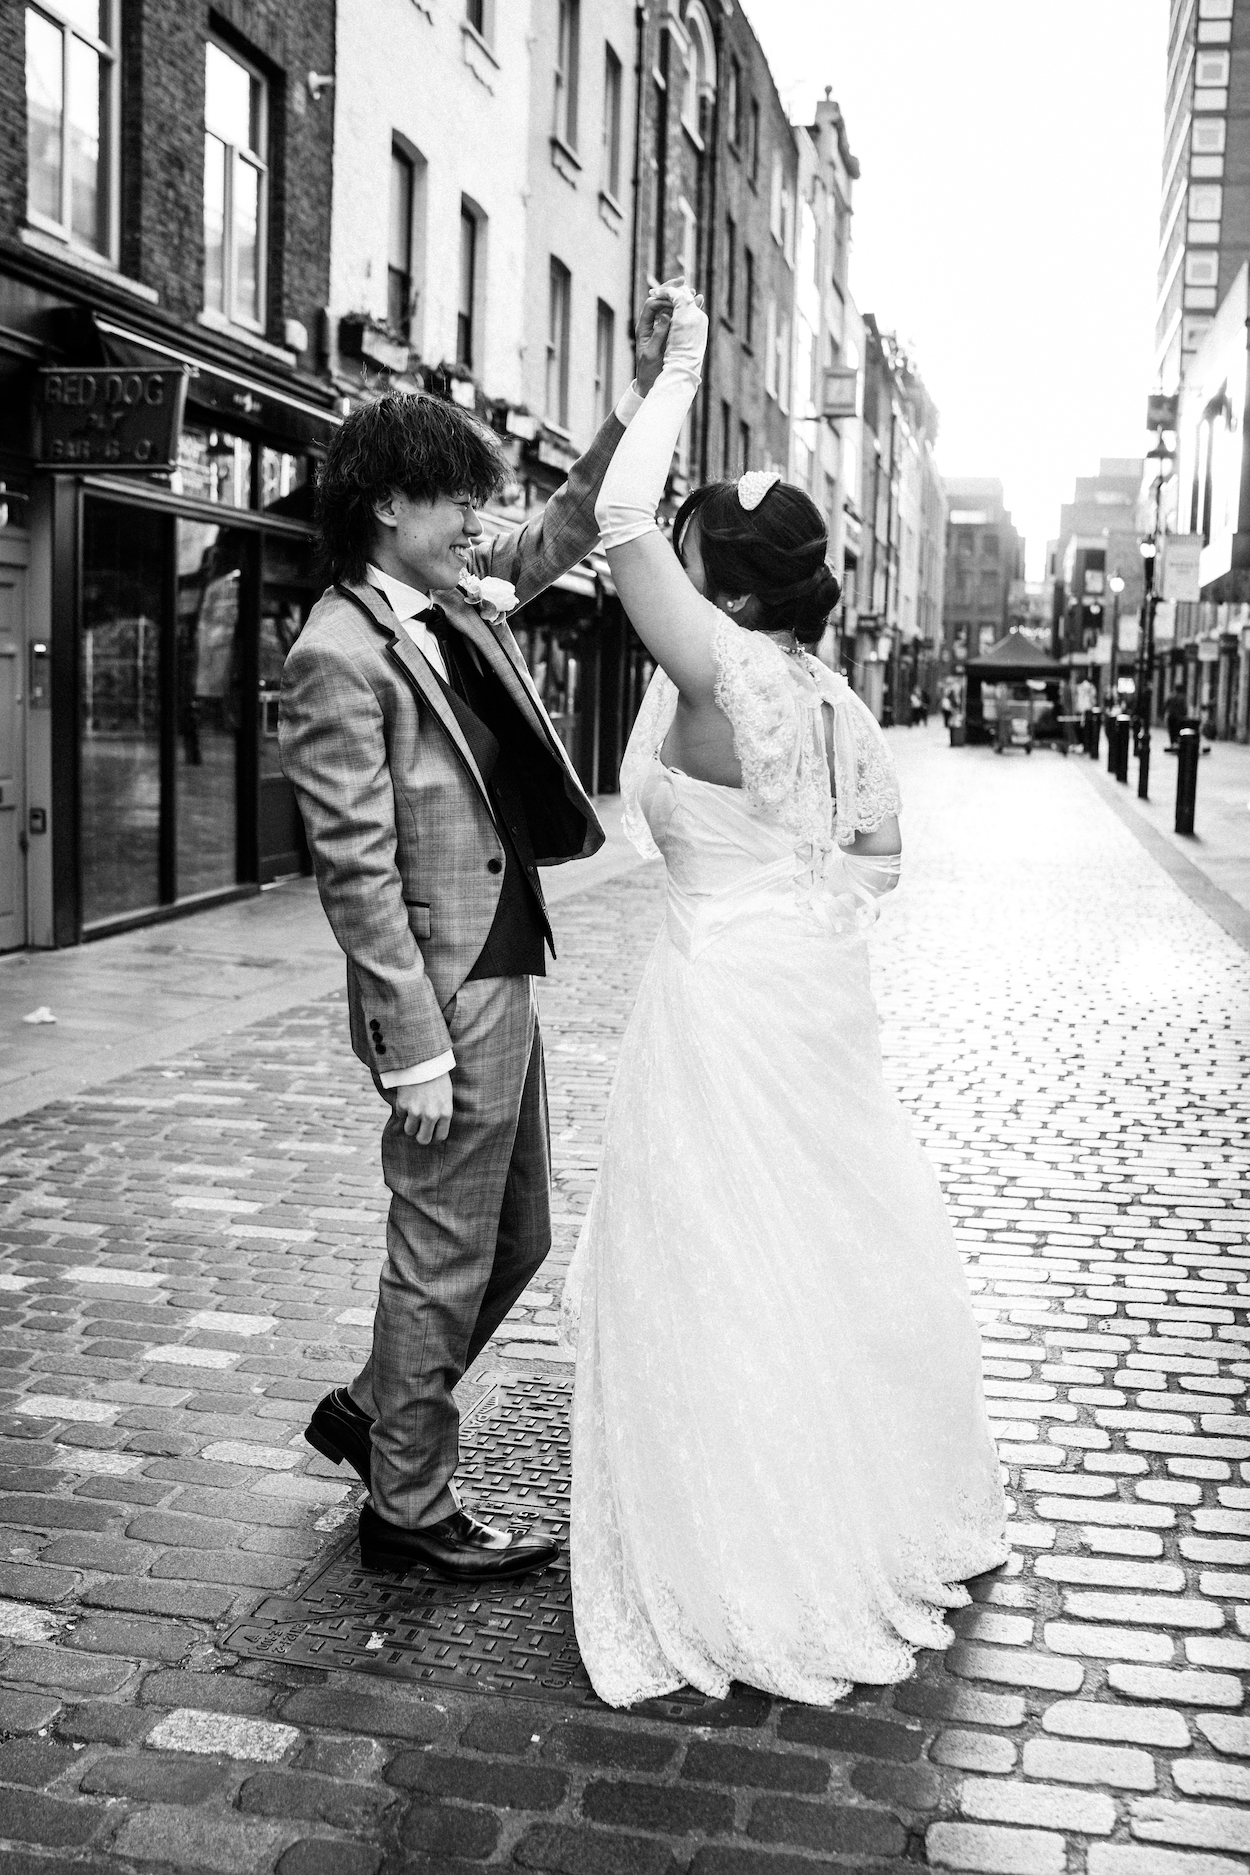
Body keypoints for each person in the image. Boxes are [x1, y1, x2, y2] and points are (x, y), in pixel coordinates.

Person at [561, 290, 1009, 1709]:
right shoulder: (828, 698)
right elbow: (876, 859)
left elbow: (618, 517)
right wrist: (791, 912)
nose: (675, 576)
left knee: (707, 1259)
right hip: (801, 1000)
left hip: (713, 1002)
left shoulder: (719, 668)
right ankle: (847, 1489)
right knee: (812, 1242)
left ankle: (741, 1545)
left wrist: (680, 371)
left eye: (696, 564)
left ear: (736, 596)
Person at [279, 288, 677, 1583]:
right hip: (446, 998)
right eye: (454, 498)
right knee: (442, 1251)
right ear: (387, 506)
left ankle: (375, 1408)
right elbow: (357, 875)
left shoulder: (452, 600)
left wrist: (633, 402)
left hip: (504, 966)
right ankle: (409, 1504)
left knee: (513, 1241)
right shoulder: (338, 655)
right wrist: (412, 1048)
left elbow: (562, 529)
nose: (473, 519)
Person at [1163, 682, 1187, 750]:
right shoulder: (1182, 698)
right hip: (1179, 718)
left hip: (1171, 716)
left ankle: (1172, 743)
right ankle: (1177, 744)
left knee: (1171, 731)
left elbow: (1165, 705)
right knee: (1177, 731)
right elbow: (1184, 708)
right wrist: (1184, 715)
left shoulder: (1171, 696)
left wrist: (1165, 713)